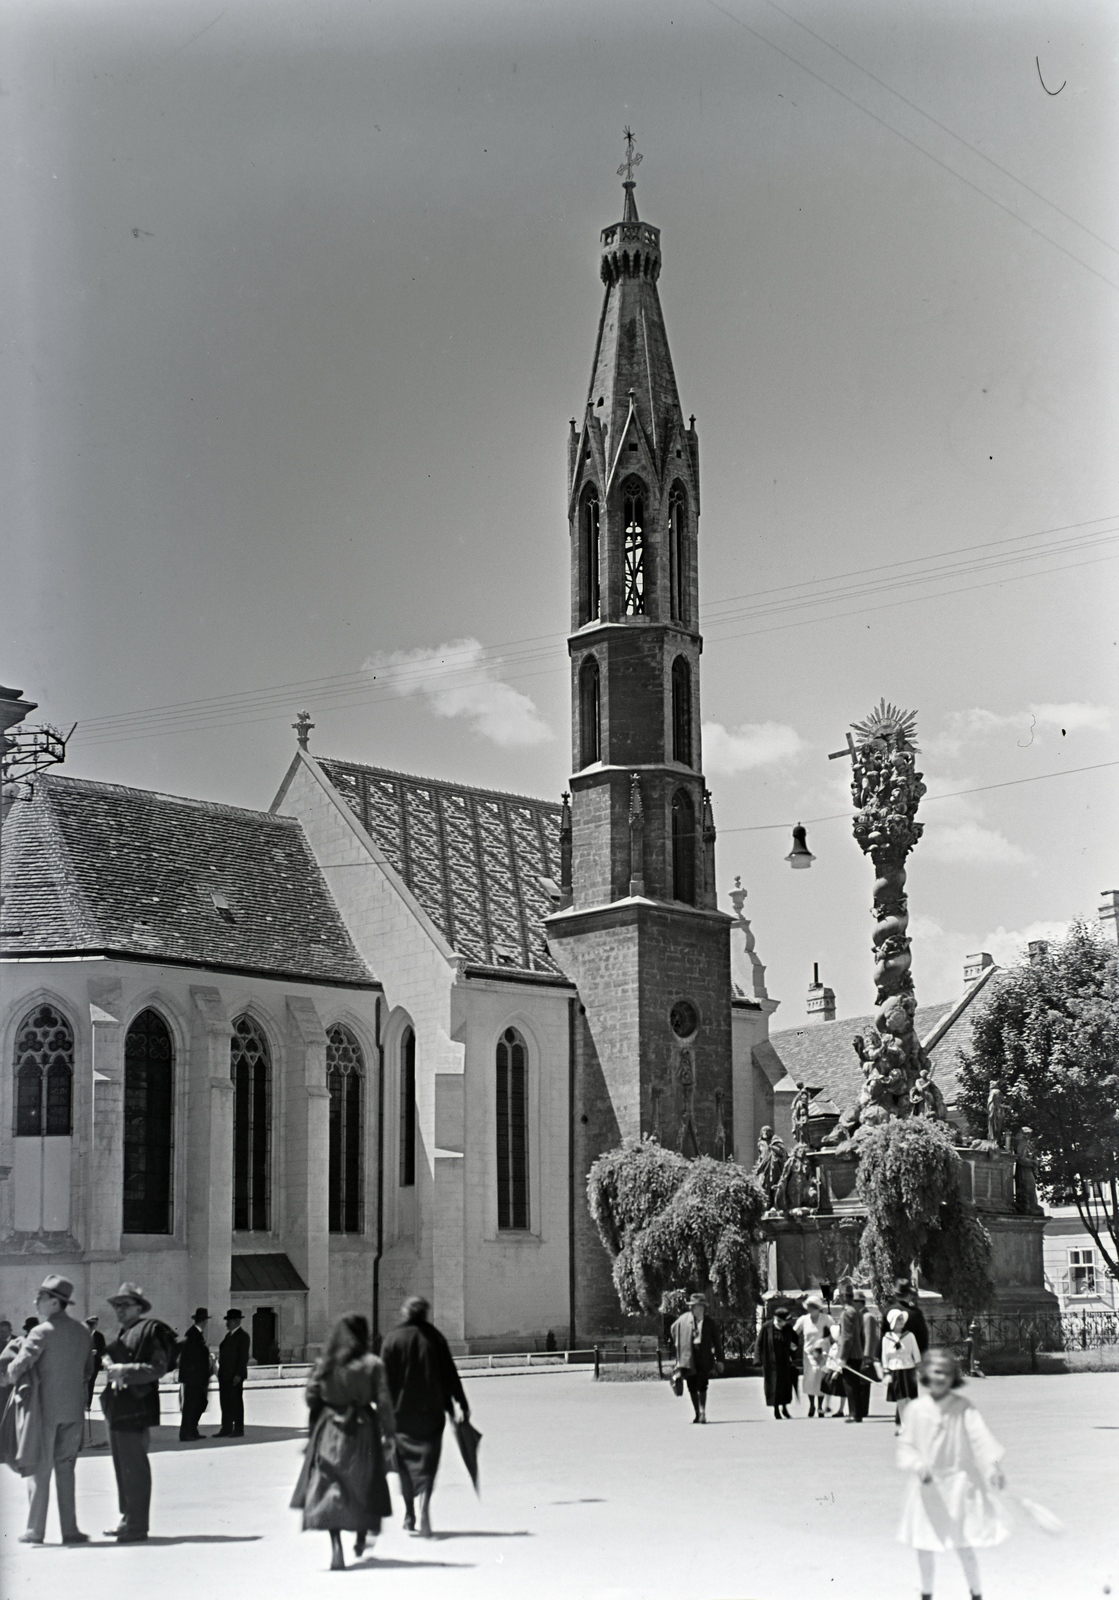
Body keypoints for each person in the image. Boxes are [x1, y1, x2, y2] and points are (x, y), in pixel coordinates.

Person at [897, 1347, 1009, 1600]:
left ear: (953, 1377)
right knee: (925, 1545)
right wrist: (917, 1464)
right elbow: (907, 1445)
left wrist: (992, 1465)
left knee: (964, 1543)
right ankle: (926, 1593)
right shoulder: (915, 1409)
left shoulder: (963, 1407)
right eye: (936, 1372)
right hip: (928, 1488)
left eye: (946, 1373)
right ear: (925, 1373)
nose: (940, 1378)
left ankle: (976, 1593)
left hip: (960, 1485)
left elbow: (979, 1436)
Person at [291, 1312, 397, 1570]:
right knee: (365, 1484)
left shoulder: (325, 1364)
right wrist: (390, 1434)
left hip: (330, 1431)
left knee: (331, 1487)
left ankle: (336, 1548)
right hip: (362, 1431)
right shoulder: (372, 1364)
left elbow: (310, 1397)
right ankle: (361, 1537)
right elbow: (384, 1403)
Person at [4, 1274, 93, 1546]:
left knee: (39, 1470)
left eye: (41, 1298)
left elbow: (16, 1368)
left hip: (45, 1412)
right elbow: (88, 1371)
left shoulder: (40, 1332)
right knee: (66, 1471)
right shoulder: (82, 1332)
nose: (36, 1302)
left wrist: (10, 1366)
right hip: (73, 1413)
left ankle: (35, 1530)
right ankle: (70, 1530)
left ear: (55, 1303)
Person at [380, 1296, 471, 1536]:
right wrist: (461, 1403)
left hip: (401, 1416)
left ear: (405, 1314)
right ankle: (425, 1509)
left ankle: (409, 1513)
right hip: (432, 1413)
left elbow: (383, 1383)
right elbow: (450, 1374)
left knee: (405, 1466)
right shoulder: (435, 1338)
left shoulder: (392, 1339)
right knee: (428, 1464)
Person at [101, 1283, 178, 1542]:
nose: (119, 1310)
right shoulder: (127, 1332)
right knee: (123, 1469)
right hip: (119, 1408)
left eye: (125, 1305)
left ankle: (137, 1526)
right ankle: (128, 1519)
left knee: (134, 1469)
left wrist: (124, 1369)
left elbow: (158, 1368)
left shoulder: (150, 1330)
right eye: (117, 1306)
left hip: (135, 1410)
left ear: (138, 1307)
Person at [668, 1291, 725, 1426]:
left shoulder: (709, 1323)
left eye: (700, 1307)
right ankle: (697, 1413)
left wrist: (720, 1360)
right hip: (689, 1355)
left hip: (704, 1356)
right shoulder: (684, 1320)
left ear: (704, 1308)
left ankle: (703, 1411)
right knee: (692, 1385)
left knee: (703, 1384)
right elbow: (673, 1328)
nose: (697, 1310)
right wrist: (679, 1345)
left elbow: (717, 1342)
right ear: (691, 1308)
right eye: (694, 1307)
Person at [793, 1293, 835, 1417]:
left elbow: (835, 1332)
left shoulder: (826, 1319)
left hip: (822, 1354)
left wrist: (826, 1340)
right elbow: (794, 1332)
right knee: (810, 1379)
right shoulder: (803, 1319)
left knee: (820, 1378)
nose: (810, 1309)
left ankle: (820, 1406)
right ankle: (812, 1405)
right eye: (809, 1306)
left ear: (818, 1308)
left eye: (813, 1307)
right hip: (809, 1354)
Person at [756, 1303, 800, 1420]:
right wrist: (758, 1359)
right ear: (778, 1319)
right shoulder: (767, 1327)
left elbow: (796, 1339)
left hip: (784, 1361)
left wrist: (794, 1347)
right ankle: (776, 1409)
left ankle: (784, 1408)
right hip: (771, 1362)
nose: (787, 1323)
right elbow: (759, 1343)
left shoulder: (788, 1328)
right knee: (773, 1385)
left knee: (784, 1385)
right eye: (785, 1321)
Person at [882, 1308, 921, 1428]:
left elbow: (916, 1352)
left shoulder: (909, 1336)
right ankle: (904, 1424)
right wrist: (886, 1372)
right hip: (895, 1370)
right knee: (900, 1398)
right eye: (898, 1319)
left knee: (910, 1397)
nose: (901, 1321)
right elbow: (885, 1355)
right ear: (893, 1322)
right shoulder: (887, 1338)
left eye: (901, 1319)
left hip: (908, 1369)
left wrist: (919, 1368)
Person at [215, 1308, 250, 1437]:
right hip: (224, 1375)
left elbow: (243, 1357)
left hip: (234, 1376)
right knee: (225, 1402)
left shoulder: (243, 1336)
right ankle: (226, 1427)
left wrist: (238, 1375)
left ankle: (238, 1429)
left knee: (236, 1402)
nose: (227, 1323)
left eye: (229, 1321)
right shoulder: (229, 1335)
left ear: (236, 1321)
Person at [178, 1308, 212, 1441]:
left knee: (197, 1404)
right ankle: (186, 1433)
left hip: (196, 1378)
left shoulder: (195, 1334)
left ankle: (192, 1430)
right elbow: (192, 1357)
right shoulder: (193, 1335)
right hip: (194, 1378)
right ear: (204, 1321)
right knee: (191, 1406)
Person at [836, 1285, 868, 1423]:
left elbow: (847, 1337)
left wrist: (842, 1357)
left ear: (844, 1296)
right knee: (854, 1384)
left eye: (839, 1296)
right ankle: (857, 1413)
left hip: (851, 1354)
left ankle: (854, 1413)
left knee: (850, 1385)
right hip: (857, 1352)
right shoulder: (856, 1311)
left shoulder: (847, 1313)